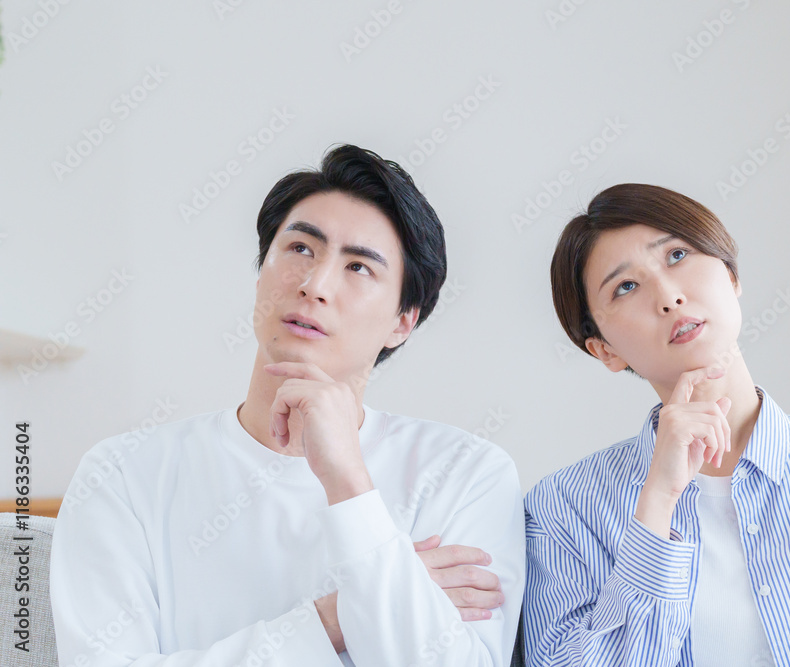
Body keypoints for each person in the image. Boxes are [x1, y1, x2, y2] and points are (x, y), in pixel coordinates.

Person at [50, 144, 525, 667]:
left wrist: (349, 483)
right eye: (301, 248)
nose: (315, 285)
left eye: (359, 267)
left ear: (402, 321)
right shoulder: (122, 473)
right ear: (261, 272)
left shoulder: (465, 472)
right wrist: (340, 618)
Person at [521, 183, 790, 666]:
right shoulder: (563, 509)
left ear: (730, 275)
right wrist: (657, 503)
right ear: (605, 350)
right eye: (625, 287)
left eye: (676, 255)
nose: (668, 297)